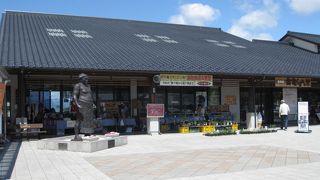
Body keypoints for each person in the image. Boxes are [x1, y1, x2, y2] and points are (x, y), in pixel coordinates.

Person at [72, 73, 96, 141]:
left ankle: (87, 133)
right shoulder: (78, 85)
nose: (87, 80)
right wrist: (77, 104)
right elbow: (74, 96)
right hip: (81, 104)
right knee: (79, 120)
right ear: (81, 79)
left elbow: (90, 95)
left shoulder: (88, 86)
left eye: (87, 78)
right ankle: (76, 135)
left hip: (89, 105)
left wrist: (93, 103)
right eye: (85, 78)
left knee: (89, 120)